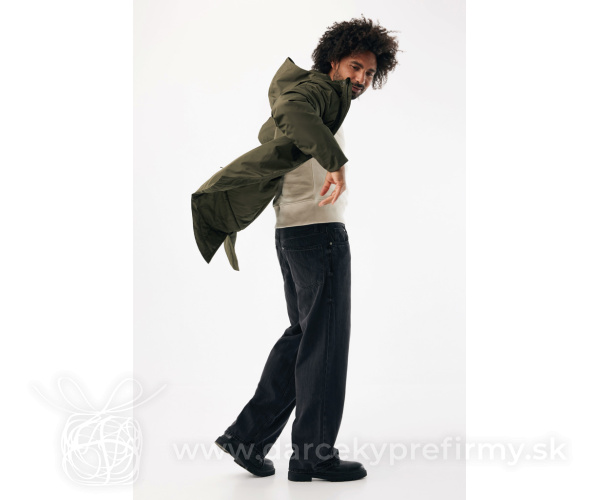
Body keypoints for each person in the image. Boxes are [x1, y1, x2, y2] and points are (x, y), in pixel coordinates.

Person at [195, 16, 399, 482]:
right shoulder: (318, 91)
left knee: (307, 338)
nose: (361, 79)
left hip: (296, 233)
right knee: (325, 344)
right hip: (318, 234)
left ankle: (248, 439)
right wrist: (336, 163)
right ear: (334, 61)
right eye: (355, 67)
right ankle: (313, 454)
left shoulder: (323, 96)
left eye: (370, 73)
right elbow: (292, 111)